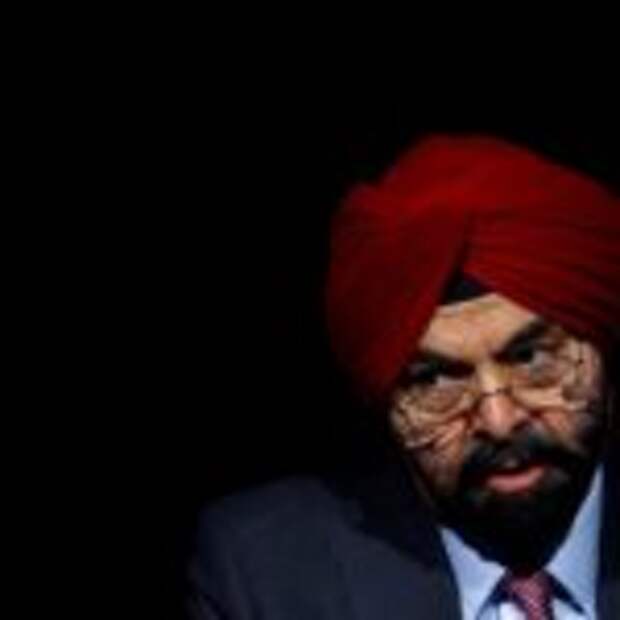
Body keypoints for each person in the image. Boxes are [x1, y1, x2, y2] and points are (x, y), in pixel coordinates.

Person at [186, 134, 620, 619]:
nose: (499, 421)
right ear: (386, 402)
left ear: (605, 356)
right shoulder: (261, 575)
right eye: (436, 382)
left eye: (533, 359)